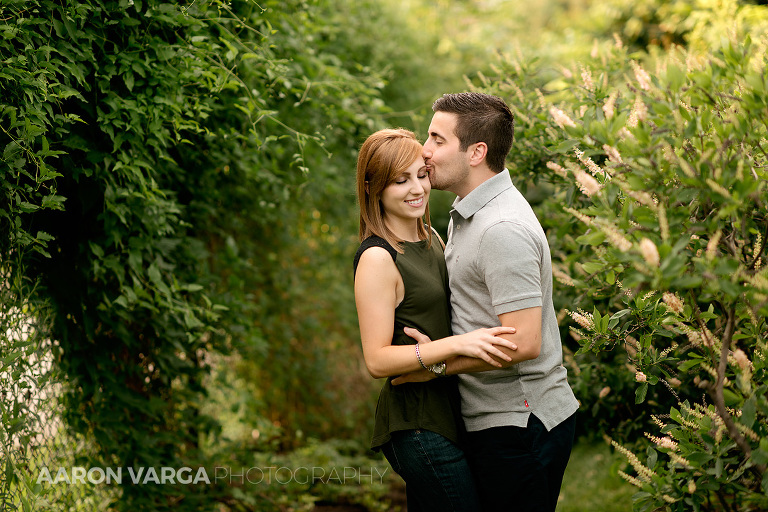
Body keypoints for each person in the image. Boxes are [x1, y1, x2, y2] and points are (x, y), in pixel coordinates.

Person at [394, 93, 580, 512]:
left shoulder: (501, 229)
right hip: (496, 420)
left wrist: (434, 366)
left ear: (476, 152)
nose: (425, 151)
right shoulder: (470, 210)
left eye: (437, 139)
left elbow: (523, 342)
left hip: (521, 424)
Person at [353, 128, 518, 511]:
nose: (416, 189)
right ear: (373, 187)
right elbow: (377, 360)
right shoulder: (378, 258)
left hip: (450, 410)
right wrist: (458, 343)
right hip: (416, 423)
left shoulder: (431, 238)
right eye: (400, 180)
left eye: (421, 175)